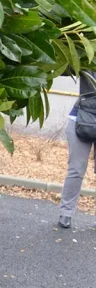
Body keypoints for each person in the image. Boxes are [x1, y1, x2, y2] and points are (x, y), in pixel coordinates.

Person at [57, 70, 96, 229]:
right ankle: (66, 213)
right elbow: (66, 68)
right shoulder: (89, 58)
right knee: (76, 169)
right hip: (81, 119)